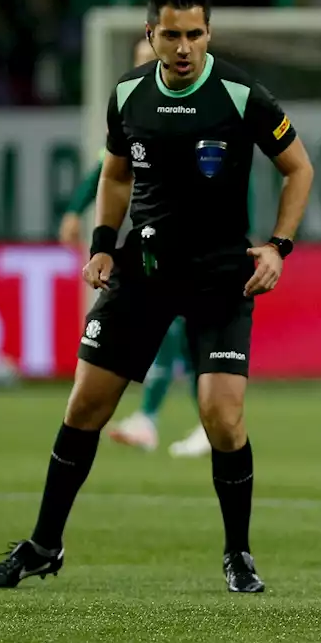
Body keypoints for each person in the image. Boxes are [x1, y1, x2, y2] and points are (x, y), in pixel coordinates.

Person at [0, 0, 315, 593]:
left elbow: (298, 168)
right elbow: (115, 173)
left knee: (221, 416)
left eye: (194, 33)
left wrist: (278, 246)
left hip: (219, 276)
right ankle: (44, 544)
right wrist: (104, 243)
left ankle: (238, 554)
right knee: (84, 406)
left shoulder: (241, 94)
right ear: (151, 34)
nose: (183, 46)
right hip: (146, 272)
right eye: (171, 34)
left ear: (208, 33)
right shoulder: (127, 95)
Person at [59, 37, 210, 458]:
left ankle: (190, 420)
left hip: (199, 247)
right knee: (171, 331)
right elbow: (104, 172)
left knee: (182, 330)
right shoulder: (135, 115)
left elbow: (236, 175)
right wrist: (76, 212)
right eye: (142, 62)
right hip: (151, 245)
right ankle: (163, 420)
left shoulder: (200, 113)